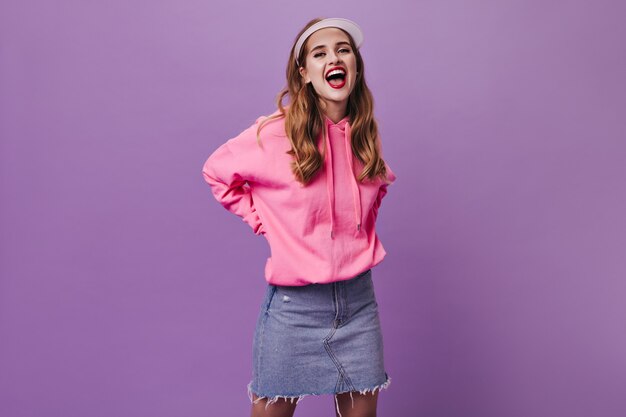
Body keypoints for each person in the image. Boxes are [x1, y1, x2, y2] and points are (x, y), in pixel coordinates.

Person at [202, 17, 397, 417]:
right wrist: (264, 221)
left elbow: (379, 186)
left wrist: (358, 232)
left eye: (343, 50)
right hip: (295, 310)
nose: (334, 58)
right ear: (304, 73)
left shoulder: (364, 133)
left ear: (355, 66)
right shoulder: (276, 133)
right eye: (319, 52)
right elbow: (217, 171)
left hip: (359, 305)